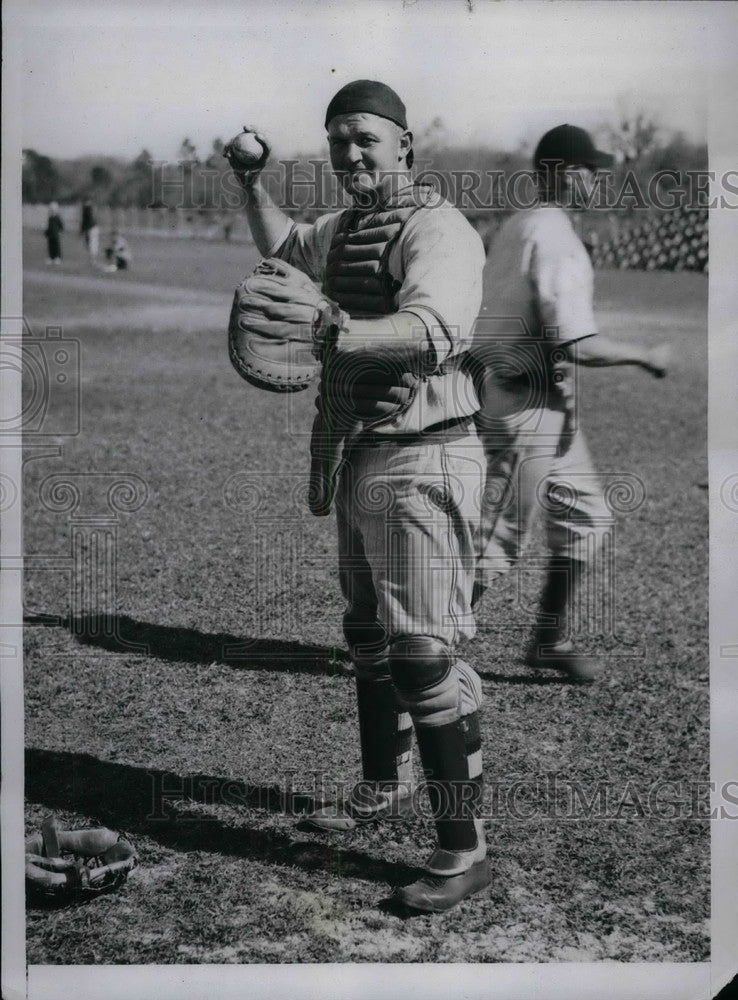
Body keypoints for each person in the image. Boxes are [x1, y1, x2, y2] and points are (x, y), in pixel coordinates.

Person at [225, 80, 489, 912]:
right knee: (367, 634)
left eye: (367, 139)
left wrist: (341, 333)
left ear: (405, 145)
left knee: (423, 655)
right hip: (356, 448)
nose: (351, 155)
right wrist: (249, 182)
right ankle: (386, 777)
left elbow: (436, 326)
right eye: (339, 141)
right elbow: (286, 253)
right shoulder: (343, 229)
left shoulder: (437, 227)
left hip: (427, 454)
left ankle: (463, 850)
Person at [472, 124, 670, 682]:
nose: (597, 179)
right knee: (495, 541)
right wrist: (644, 355)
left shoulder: (522, 223)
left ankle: (547, 639)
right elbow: (575, 343)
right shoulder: (553, 234)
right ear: (562, 172)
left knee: (585, 518)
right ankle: (422, 648)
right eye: (589, 170)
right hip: (522, 403)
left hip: (542, 400)